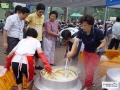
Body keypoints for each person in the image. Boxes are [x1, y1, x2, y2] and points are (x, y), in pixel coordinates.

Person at [67, 15, 106, 90]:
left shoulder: (98, 32)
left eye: (85, 25)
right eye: (82, 25)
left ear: (91, 25)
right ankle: (90, 82)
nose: (83, 27)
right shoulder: (81, 31)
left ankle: (88, 86)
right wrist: (71, 52)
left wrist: (99, 47)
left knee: (90, 70)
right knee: (87, 69)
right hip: (86, 52)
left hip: (95, 54)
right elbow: (76, 42)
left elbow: (104, 41)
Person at [25, 3, 45, 69]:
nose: (41, 13)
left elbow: (42, 26)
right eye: (40, 12)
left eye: (42, 12)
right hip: (31, 39)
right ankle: (30, 66)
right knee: (31, 53)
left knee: (38, 54)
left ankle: (35, 66)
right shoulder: (31, 16)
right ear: (36, 10)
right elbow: (25, 23)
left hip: (39, 38)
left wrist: (42, 34)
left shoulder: (43, 17)